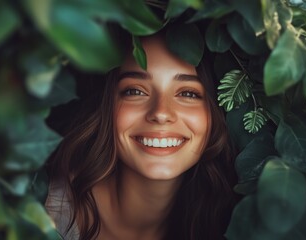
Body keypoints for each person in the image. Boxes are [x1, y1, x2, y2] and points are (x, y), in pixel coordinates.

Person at [45, 29, 238, 240]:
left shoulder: (228, 223)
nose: (161, 113)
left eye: (188, 93)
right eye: (136, 91)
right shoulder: (45, 211)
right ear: (108, 106)